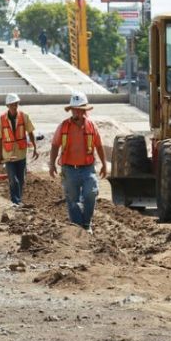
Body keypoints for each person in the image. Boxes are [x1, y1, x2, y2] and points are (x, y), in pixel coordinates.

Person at [48, 92, 107, 235]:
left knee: (91, 194)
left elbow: (98, 145)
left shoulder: (91, 126)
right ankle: (77, 227)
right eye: (74, 109)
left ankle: (86, 224)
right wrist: (52, 164)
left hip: (87, 169)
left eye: (79, 109)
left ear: (84, 111)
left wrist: (104, 164)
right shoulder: (63, 126)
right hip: (69, 169)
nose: (76, 112)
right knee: (72, 199)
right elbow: (55, 145)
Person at [0, 93, 39, 206]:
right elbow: (0, 138)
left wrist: (35, 147)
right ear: (7, 106)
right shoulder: (2, 119)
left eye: (15, 104)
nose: (14, 106)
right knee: (13, 180)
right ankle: (15, 201)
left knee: (21, 179)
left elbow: (30, 132)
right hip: (8, 155)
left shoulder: (24, 116)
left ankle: (18, 200)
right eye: (12, 104)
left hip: (21, 154)